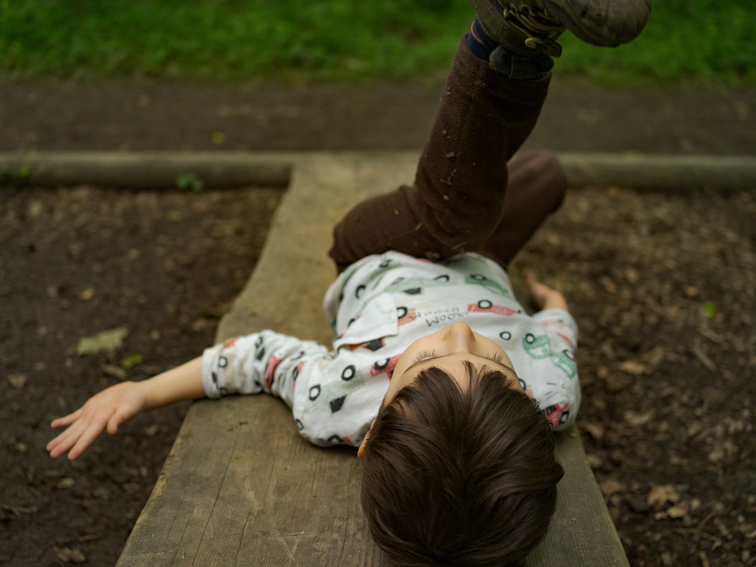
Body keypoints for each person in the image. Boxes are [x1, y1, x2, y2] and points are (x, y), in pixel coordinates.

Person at [48, 0, 652, 564]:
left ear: (372, 431)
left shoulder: (334, 398)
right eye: (497, 364)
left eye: (431, 359)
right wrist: (552, 303)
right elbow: (557, 338)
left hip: (383, 250)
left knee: (454, 215)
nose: (462, 335)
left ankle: (516, 27)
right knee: (546, 176)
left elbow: (254, 359)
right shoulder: (552, 396)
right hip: (480, 261)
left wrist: (143, 392)